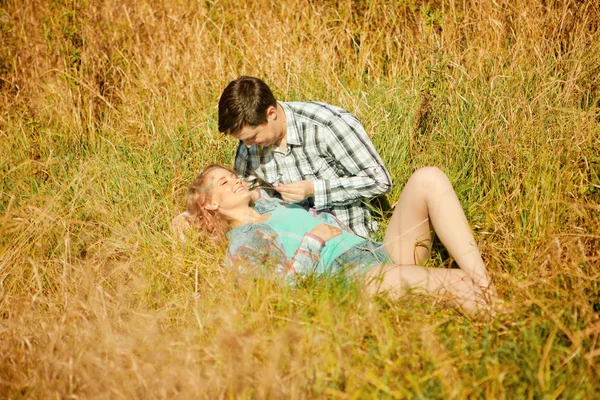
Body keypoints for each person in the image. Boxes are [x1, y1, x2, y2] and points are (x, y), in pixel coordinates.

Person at [178, 164, 497, 315]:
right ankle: (509, 324)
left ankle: (485, 283)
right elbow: (278, 296)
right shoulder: (242, 243)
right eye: (223, 182)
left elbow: (249, 189)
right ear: (210, 203)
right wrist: (313, 241)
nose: (234, 181)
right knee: (459, 285)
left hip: (376, 253)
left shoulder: (267, 204)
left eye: (233, 176)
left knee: (428, 178)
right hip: (353, 278)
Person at [218, 76, 392, 238]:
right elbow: (246, 195)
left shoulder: (327, 125)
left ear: (271, 114)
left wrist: (314, 189)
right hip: (291, 245)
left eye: (253, 137)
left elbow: (379, 181)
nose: (247, 146)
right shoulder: (248, 145)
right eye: (243, 140)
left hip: (348, 238)